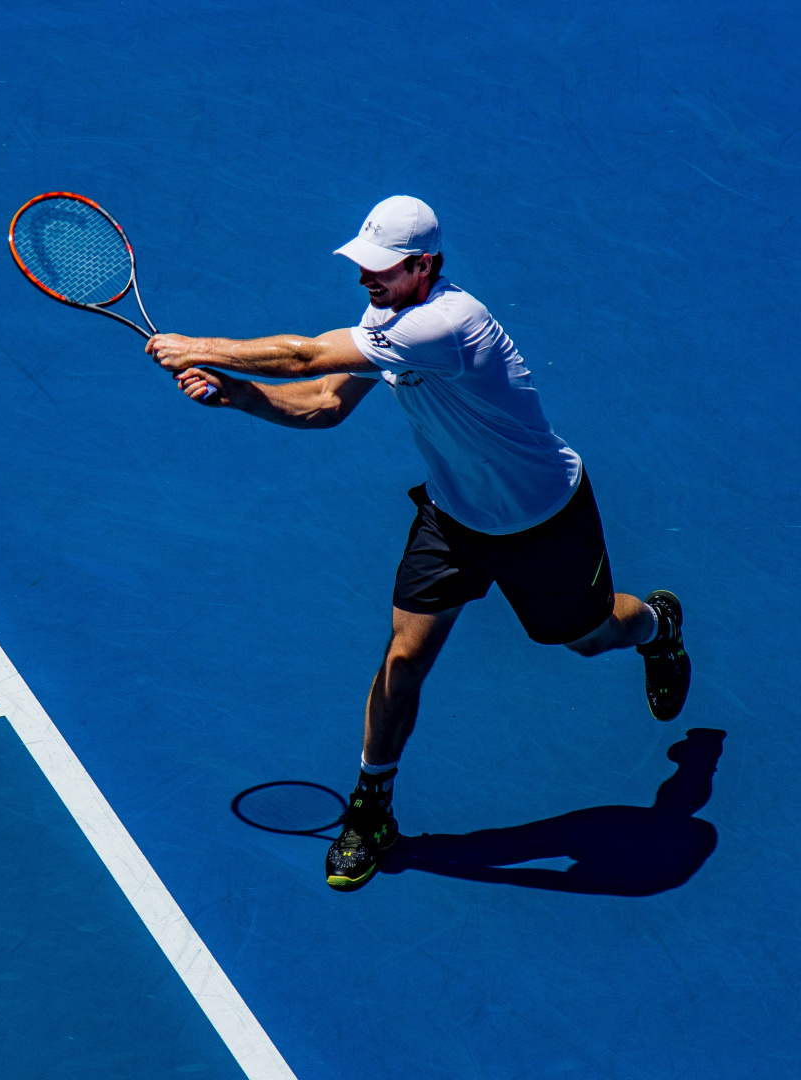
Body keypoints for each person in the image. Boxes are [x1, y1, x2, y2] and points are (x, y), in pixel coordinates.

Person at [146, 196, 691, 892]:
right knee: (403, 659)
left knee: (589, 638)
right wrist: (237, 394)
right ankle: (371, 808)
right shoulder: (385, 319)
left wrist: (198, 347)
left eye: (381, 268)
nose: (365, 278)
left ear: (424, 265)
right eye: (362, 265)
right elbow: (325, 402)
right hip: (452, 517)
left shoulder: (447, 323)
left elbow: (305, 355)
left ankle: (657, 624)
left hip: (543, 520)